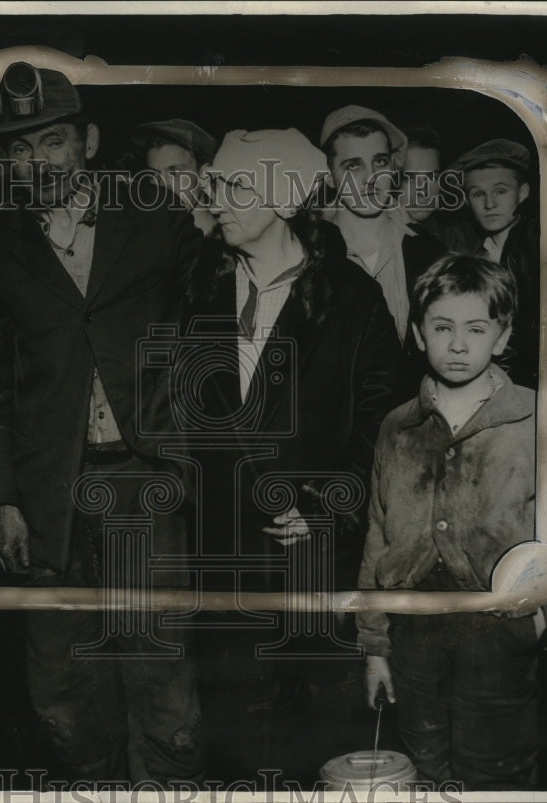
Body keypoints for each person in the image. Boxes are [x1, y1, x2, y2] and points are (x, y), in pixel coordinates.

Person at [0, 61, 204, 784]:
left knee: (157, 671)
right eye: (20, 147)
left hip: (142, 481)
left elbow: (215, 330)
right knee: (63, 691)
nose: (35, 161)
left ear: (88, 141)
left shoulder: (157, 216)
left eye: (53, 141)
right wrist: (4, 499)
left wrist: (180, 451)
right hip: (49, 494)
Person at [184, 127, 404, 782]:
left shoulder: (351, 299)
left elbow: (383, 425)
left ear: (283, 199)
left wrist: (322, 503)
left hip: (316, 563)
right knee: (236, 749)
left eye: (236, 185)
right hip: (224, 566)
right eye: (214, 183)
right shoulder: (197, 290)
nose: (217, 198)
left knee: (320, 747)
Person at [357, 254, 547, 791]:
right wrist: (375, 646)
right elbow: (378, 534)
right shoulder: (397, 427)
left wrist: (545, 618)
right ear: (419, 334)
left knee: (496, 775)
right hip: (412, 632)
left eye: (476, 328)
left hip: (497, 632)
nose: (458, 344)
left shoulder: (536, 419)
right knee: (424, 771)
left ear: (504, 334)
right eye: (442, 327)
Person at [319, 105, 445, 369]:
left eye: (380, 162)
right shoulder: (308, 253)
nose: (371, 179)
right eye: (353, 166)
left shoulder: (429, 253)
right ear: (329, 177)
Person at [448, 139, 540, 387]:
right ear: (467, 200)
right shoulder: (471, 252)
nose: (490, 204)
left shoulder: (535, 247)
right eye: (478, 194)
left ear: (523, 193)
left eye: (500, 191)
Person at [132, 118, 217, 234]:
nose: (162, 186)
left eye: (175, 173)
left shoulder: (230, 245)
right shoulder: (146, 238)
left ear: (204, 175)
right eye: (154, 174)